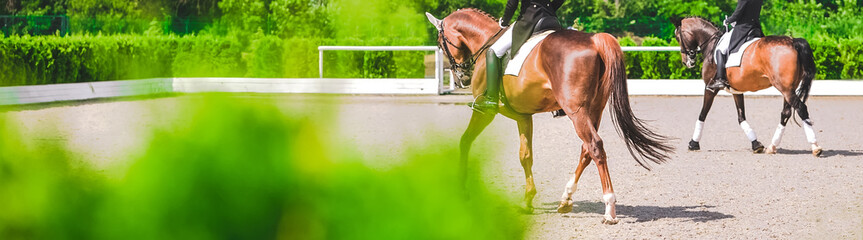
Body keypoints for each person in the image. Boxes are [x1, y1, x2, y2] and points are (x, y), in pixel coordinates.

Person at [472, 0, 564, 114]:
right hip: (552, 21)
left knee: (493, 52)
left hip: (530, 21)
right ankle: (560, 101)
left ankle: (491, 99)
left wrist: (504, 22)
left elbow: (512, 4)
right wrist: (549, 9)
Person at [707, 0, 765, 92]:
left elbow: (738, 13)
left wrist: (728, 20)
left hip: (743, 29)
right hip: (756, 28)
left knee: (721, 49)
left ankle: (720, 79)